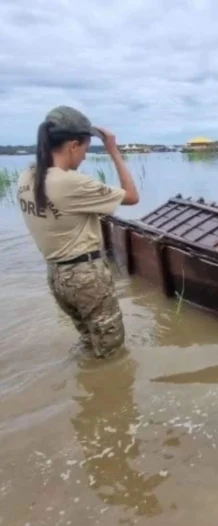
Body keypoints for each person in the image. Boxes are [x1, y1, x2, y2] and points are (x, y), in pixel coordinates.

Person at [17, 105, 140, 359]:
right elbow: (132, 197)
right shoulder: (71, 183)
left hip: (57, 276)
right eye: (85, 148)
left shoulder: (26, 178)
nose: (85, 156)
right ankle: (112, 395)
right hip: (86, 278)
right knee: (112, 353)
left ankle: (87, 393)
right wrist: (113, 151)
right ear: (73, 145)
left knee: (89, 342)